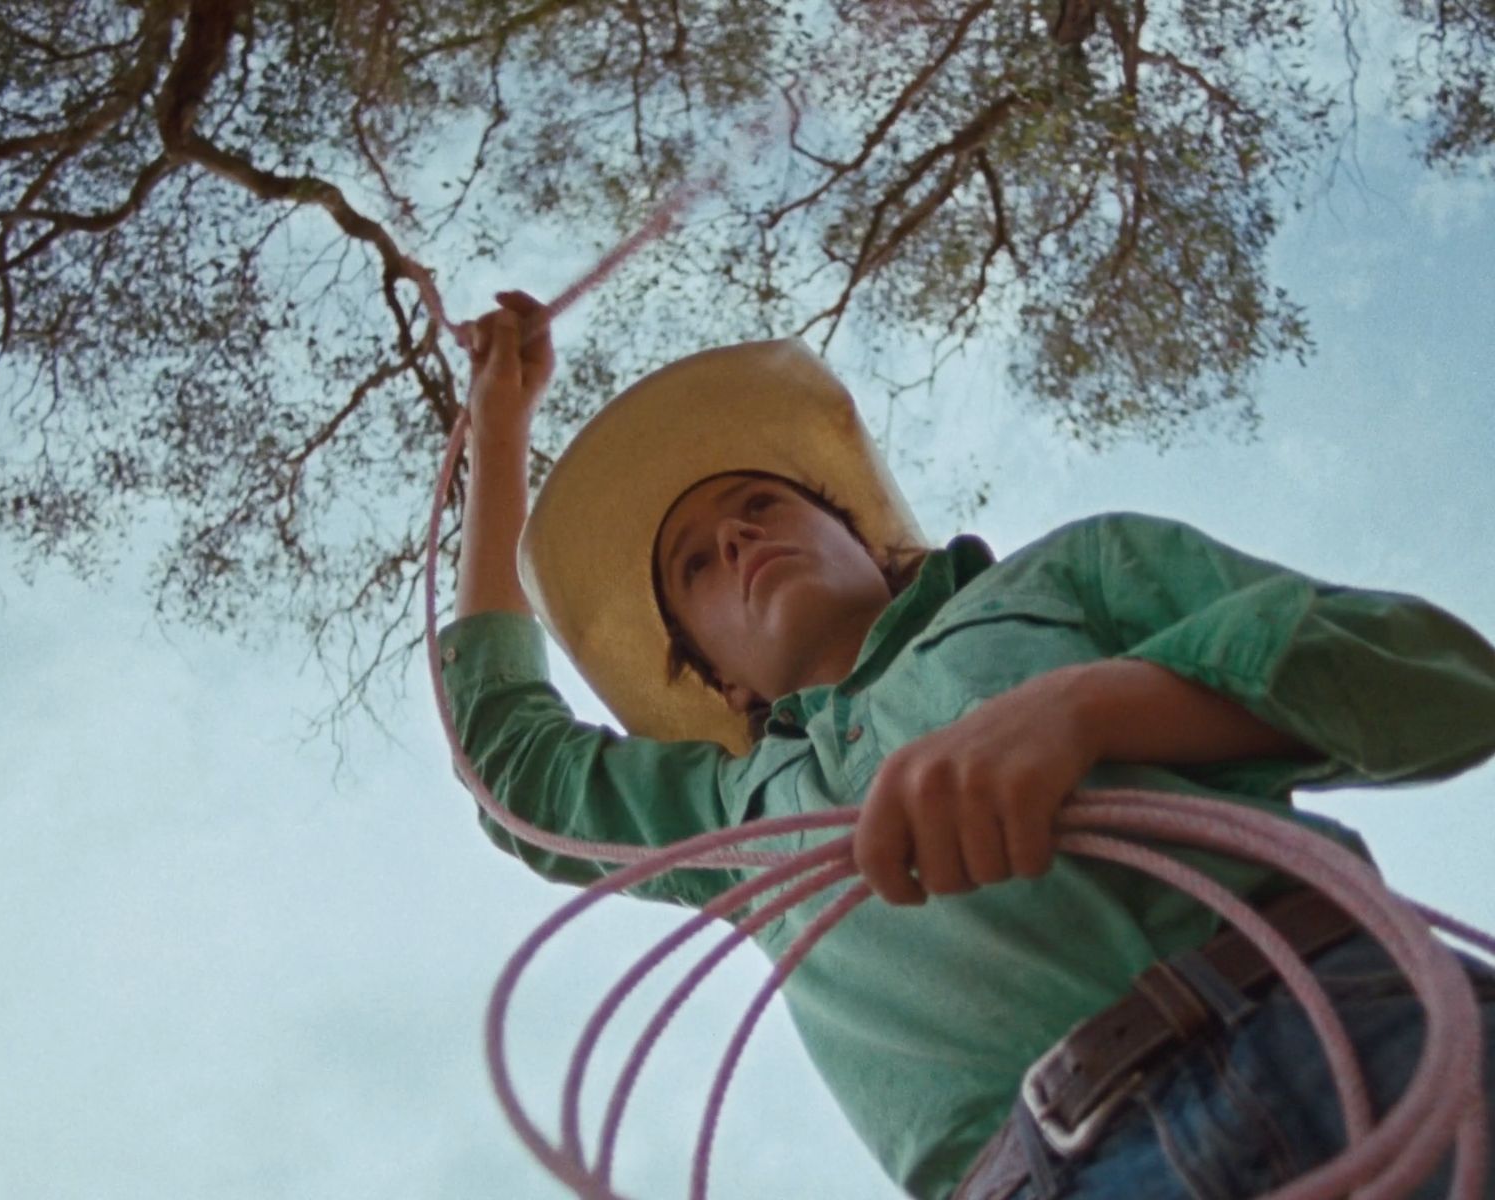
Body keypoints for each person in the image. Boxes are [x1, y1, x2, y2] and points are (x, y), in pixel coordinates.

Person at [440, 290, 1495, 1199]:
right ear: (718, 678)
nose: (735, 539)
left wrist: (1090, 708)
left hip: (1353, 1020)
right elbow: (507, 763)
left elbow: (1442, 683)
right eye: (695, 569)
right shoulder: (727, 816)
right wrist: (497, 429)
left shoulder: (1066, 578)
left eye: (759, 503)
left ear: (861, 538)